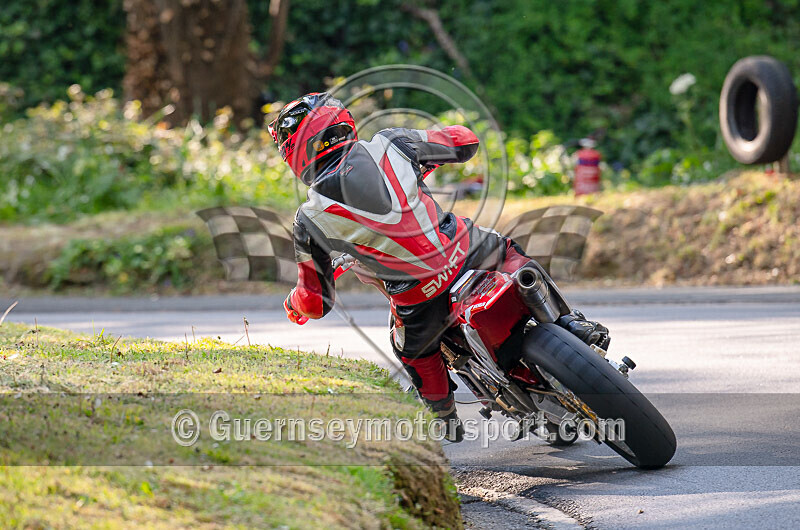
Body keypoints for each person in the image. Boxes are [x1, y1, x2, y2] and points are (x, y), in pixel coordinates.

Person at [269, 92, 609, 441]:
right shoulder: (392, 144)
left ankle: (445, 417)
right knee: (512, 256)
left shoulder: (309, 219)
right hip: (469, 251)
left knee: (413, 351)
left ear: (293, 153)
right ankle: (570, 323)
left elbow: (316, 302)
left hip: (419, 297)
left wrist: (295, 303)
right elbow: (466, 141)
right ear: (344, 123)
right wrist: (430, 153)